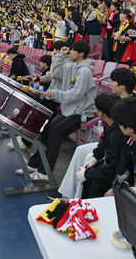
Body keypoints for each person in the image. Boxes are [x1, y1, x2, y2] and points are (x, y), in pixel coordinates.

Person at [19, 40, 96, 181]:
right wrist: (60, 55)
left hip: (82, 112)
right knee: (48, 129)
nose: (70, 52)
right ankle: (34, 163)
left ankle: (45, 173)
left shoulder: (85, 71)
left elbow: (77, 94)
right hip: (70, 110)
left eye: (73, 50)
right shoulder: (73, 66)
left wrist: (55, 94)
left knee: (56, 133)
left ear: (81, 53)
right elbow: (56, 73)